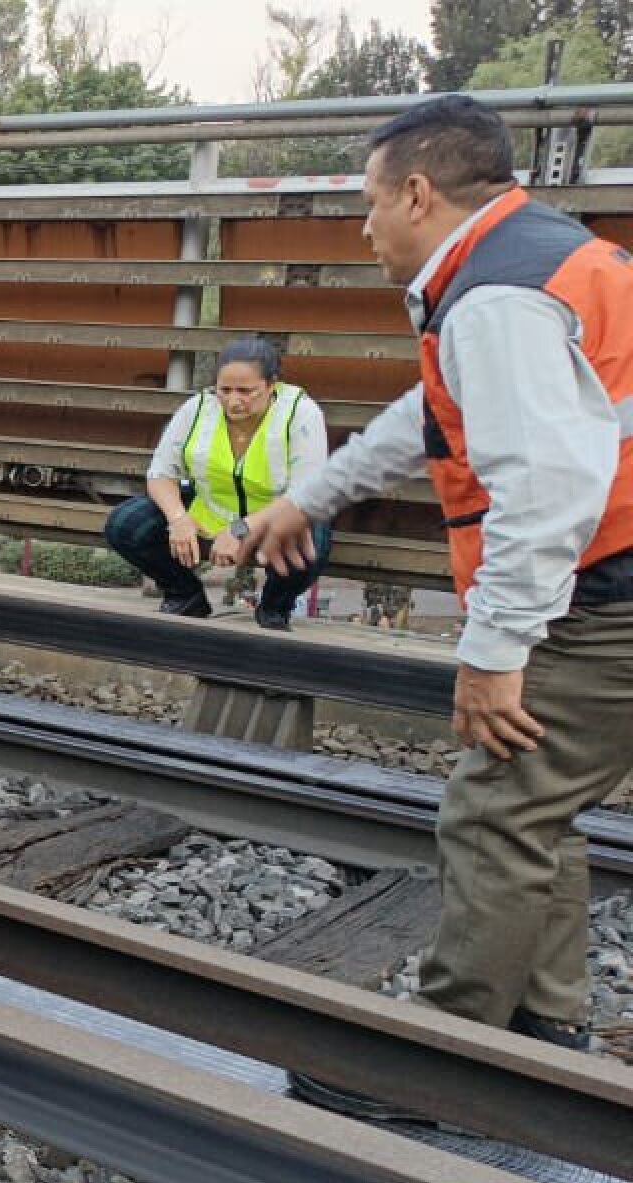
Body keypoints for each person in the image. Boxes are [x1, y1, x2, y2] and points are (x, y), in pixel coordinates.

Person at [238, 95, 633, 1104]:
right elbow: (437, 412)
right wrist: (309, 495)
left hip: (609, 589)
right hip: (605, 579)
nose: (365, 227)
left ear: (417, 193)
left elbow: (547, 488)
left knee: (493, 814)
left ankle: (447, 1066)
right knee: (534, 802)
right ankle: (543, 1027)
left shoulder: (497, 298)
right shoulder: (531, 260)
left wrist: (494, 648)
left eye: (369, 204)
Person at [103, 337, 331, 629]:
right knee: (125, 524)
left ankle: (274, 607)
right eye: (225, 390)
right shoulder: (198, 408)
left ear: (271, 385)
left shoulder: (301, 413)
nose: (234, 401)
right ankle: (185, 595)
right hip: (208, 513)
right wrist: (178, 519)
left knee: (313, 538)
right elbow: (161, 473)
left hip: (273, 522)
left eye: (247, 391)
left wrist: (240, 529)